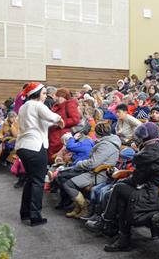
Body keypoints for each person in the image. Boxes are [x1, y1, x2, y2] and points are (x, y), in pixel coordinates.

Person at [100, 122, 159, 252]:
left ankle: (108, 223)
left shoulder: (146, 156)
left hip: (155, 195)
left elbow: (136, 180)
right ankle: (117, 231)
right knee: (121, 194)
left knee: (119, 189)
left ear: (142, 139)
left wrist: (124, 181)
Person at [15, 82, 62, 226]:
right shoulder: (37, 105)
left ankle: (25, 213)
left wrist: (52, 123)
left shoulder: (24, 107)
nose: (45, 95)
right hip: (35, 147)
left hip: (23, 147)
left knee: (30, 179)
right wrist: (60, 120)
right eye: (43, 93)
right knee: (38, 181)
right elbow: (52, 117)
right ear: (36, 94)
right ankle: (35, 215)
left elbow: (39, 123)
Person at [60, 121, 122, 218]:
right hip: (94, 171)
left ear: (98, 133)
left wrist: (80, 164)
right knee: (65, 176)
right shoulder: (107, 142)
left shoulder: (106, 145)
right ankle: (78, 207)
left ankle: (84, 207)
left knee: (68, 184)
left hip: (99, 174)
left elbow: (93, 163)